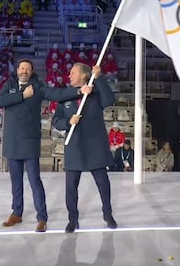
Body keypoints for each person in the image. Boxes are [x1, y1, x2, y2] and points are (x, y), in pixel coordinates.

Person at [0, 59, 84, 233]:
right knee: (15, 181)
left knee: (35, 181)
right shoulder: (10, 85)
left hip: (29, 141)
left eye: (27, 69)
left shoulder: (38, 86)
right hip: (12, 142)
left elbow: (57, 95)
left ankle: (42, 218)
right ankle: (17, 212)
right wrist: (22, 96)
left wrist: (79, 91)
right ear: (18, 70)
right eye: (22, 68)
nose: (24, 71)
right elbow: (0, 101)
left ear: (32, 71)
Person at [52, 63, 118, 233]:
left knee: (103, 183)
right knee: (71, 187)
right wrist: (68, 122)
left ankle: (108, 213)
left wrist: (100, 78)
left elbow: (109, 100)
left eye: (73, 72)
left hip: (95, 145)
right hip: (74, 146)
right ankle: (72, 219)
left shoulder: (95, 92)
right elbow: (56, 121)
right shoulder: (67, 95)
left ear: (83, 76)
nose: (69, 75)